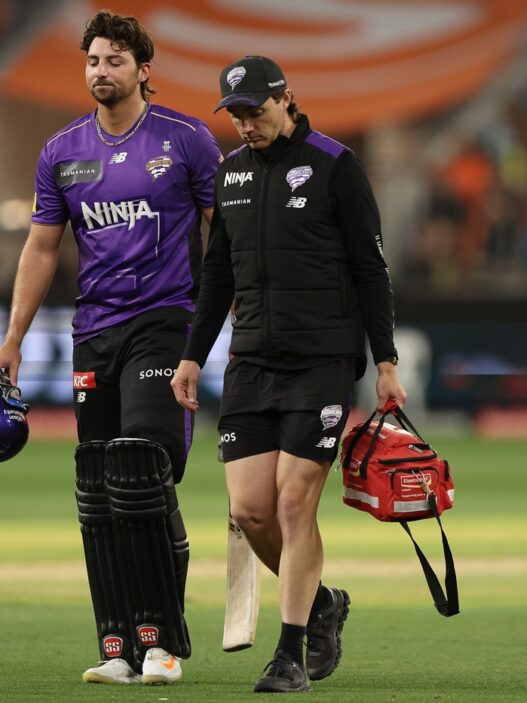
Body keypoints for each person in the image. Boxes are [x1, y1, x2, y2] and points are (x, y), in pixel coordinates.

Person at [172, 55, 407, 693]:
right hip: (251, 362)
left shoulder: (336, 165)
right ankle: (323, 601)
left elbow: (371, 270)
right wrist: (194, 354)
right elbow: (217, 274)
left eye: (254, 110)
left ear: (286, 98)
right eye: (236, 115)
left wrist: (385, 362)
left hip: (322, 362)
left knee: (292, 501)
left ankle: (290, 653)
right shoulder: (231, 173)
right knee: (251, 512)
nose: (245, 124)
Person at [0, 10, 221, 686]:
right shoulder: (62, 150)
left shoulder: (186, 138)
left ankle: (163, 643)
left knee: (141, 465)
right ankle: (119, 644)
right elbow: (42, 247)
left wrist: (230, 318)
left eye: (114, 60)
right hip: (94, 332)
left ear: (143, 69)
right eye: (93, 60)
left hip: (166, 322)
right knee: (99, 486)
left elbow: (223, 235)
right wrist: (13, 337)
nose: (101, 70)